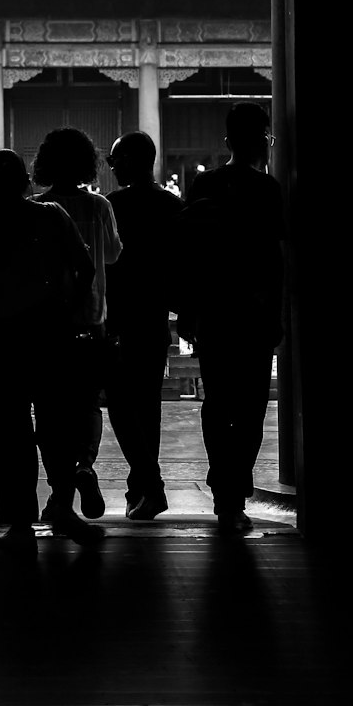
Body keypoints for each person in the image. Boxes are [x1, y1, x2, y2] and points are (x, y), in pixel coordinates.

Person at [0, 149, 96, 555]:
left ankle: (22, 521)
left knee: (15, 434)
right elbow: (85, 267)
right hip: (52, 335)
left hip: (5, 343)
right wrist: (69, 311)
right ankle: (62, 505)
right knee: (56, 424)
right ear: (26, 181)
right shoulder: (52, 216)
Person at [178, 103, 285, 534]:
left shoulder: (205, 184)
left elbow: (189, 254)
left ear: (227, 143)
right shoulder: (268, 190)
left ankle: (225, 490)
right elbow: (275, 258)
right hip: (254, 312)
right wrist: (276, 313)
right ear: (264, 140)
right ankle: (234, 488)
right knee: (251, 406)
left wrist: (187, 308)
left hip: (214, 311)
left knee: (217, 402)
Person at [32, 128, 122, 521]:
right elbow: (114, 257)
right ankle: (85, 465)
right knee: (87, 404)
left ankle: (58, 491)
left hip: (46, 324)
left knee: (49, 409)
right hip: (92, 319)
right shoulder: (100, 207)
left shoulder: (36, 208)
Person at [104, 132, 183, 520]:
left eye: (115, 159)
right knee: (147, 407)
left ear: (133, 160)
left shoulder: (112, 207)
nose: (110, 165)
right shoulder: (172, 206)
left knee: (120, 405)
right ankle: (142, 486)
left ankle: (150, 485)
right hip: (154, 319)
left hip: (118, 319)